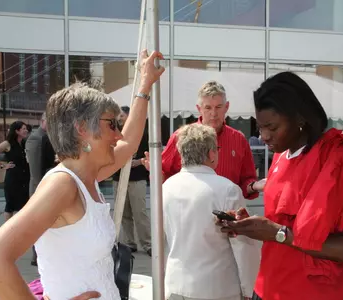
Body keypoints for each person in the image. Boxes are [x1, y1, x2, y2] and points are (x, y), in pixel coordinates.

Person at [0, 50, 164, 299]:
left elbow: (131, 141)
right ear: (82, 128)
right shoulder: (63, 184)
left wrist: (145, 86)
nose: (118, 134)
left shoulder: (86, 177)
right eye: (111, 124)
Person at [216, 72, 343, 300]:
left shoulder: (339, 157)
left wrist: (279, 234)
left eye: (271, 127)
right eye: (260, 127)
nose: (263, 136)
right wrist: (249, 224)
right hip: (267, 286)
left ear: (300, 119)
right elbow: (282, 223)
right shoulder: (281, 155)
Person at [163, 123, 260, 300]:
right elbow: (242, 243)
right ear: (211, 153)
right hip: (217, 287)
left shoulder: (165, 187)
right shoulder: (228, 189)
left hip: (175, 283)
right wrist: (248, 287)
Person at [142, 80, 264, 199]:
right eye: (208, 108)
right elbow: (164, 178)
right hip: (190, 213)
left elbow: (247, 180)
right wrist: (155, 172)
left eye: (218, 107)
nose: (213, 113)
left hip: (228, 213)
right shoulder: (181, 137)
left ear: (226, 107)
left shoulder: (239, 140)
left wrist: (254, 186)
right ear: (199, 108)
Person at [113, 105, 152, 256]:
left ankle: (148, 244)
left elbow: (149, 154)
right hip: (119, 178)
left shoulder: (142, 133)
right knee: (124, 213)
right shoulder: (116, 133)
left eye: (122, 116)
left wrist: (139, 161)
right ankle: (130, 243)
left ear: (129, 117)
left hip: (137, 179)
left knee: (140, 213)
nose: (119, 118)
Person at [25, 112, 57, 267]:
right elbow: (36, 171)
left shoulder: (46, 137)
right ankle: (36, 255)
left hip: (46, 188)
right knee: (38, 224)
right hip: (40, 189)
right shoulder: (36, 138)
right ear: (43, 121)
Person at [0, 121, 30, 221]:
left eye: (26, 128)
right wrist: (2, 165)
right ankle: (8, 229)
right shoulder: (7, 143)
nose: (26, 130)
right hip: (13, 179)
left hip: (25, 178)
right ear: (17, 131)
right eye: (23, 129)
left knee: (23, 205)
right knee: (10, 206)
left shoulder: (24, 143)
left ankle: (18, 228)